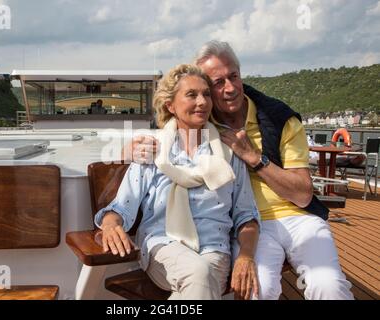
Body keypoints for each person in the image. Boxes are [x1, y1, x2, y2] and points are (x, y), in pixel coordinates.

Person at [124, 41, 354, 300]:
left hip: (299, 218)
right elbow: (171, 120)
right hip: (253, 227)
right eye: (217, 83)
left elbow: (302, 195)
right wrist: (130, 148)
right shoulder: (205, 120)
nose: (229, 88)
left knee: (329, 286)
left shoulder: (280, 119)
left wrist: (254, 158)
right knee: (257, 290)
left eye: (234, 76)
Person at [95, 64, 260, 300]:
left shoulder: (229, 153)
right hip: (163, 246)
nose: (202, 102)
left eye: (205, 94)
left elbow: (246, 215)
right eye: (192, 95)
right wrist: (110, 224)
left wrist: (246, 255)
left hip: (215, 250)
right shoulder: (152, 150)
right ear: (170, 105)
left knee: (200, 278)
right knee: (198, 273)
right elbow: (122, 206)